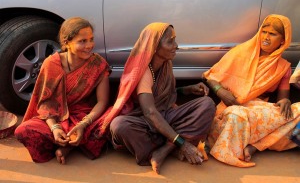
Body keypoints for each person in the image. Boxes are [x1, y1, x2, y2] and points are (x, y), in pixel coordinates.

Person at [99, 22, 215, 174]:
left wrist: (185, 90)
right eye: (170, 41)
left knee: (207, 104)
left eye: (175, 40)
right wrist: (184, 145)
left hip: (165, 115)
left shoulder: (166, 63)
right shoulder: (143, 72)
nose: (176, 45)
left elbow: (165, 94)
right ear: (154, 46)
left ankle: (164, 150)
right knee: (119, 125)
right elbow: (150, 112)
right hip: (144, 121)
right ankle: (174, 143)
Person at [203, 14, 300, 167]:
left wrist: (285, 100)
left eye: (272, 34)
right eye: (264, 32)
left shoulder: (283, 67)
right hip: (232, 107)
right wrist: (220, 90)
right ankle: (254, 144)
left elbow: (282, 99)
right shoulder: (241, 52)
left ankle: (256, 146)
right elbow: (211, 76)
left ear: (283, 40)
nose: (266, 37)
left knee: (299, 112)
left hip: (258, 114)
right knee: (236, 116)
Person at [14, 17, 111, 164]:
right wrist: (54, 128)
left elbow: (102, 102)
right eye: (82, 41)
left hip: (84, 116)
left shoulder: (98, 64)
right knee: (23, 130)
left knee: (111, 121)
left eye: (91, 39)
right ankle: (70, 142)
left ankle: (68, 145)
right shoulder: (51, 63)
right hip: (56, 117)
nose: (89, 45)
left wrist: (83, 125)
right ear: (67, 43)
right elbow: (46, 104)